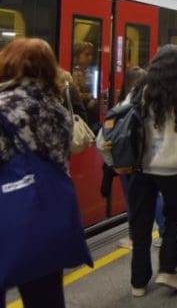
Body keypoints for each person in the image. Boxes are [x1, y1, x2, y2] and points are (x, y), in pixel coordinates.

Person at [0, 38, 78, 308]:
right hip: (46, 214)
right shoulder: (58, 111)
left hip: (6, 213)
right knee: (46, 296)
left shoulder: (3, 106)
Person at [129, 44, 177, 296]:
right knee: (174, 218)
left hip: (142, 165)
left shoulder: (141, 90)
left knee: (140, 223)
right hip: (172, 170)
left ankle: (138, 282)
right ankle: (168, 270)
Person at [97, 66, 165, 251]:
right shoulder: (156, 104)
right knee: (155, 195)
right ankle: (165, 232)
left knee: (133, 200)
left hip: (129, 162)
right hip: (153, 159)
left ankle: (136, 238)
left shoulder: (122, 107)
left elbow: (102, 141)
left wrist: (112, 164)